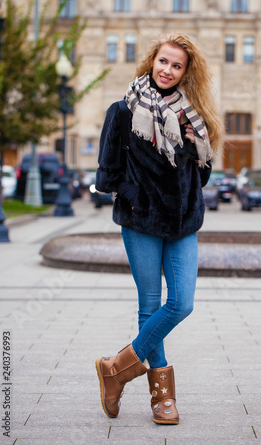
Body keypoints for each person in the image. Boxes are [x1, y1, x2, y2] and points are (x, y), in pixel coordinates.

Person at [95, 32, 223, 425]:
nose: (168, 70)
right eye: (163, 61)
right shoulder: (123, 110)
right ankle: (162, 399)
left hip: (183, 224)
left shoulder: (192, 116)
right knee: (150, 306)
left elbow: (201, 178)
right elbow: (108, 173)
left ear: (186, 72)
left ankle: (116, 367)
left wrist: (188, 148)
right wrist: (134, 197)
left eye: (177, 65)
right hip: (141, 222)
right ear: (152, 61)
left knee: (181, 302)